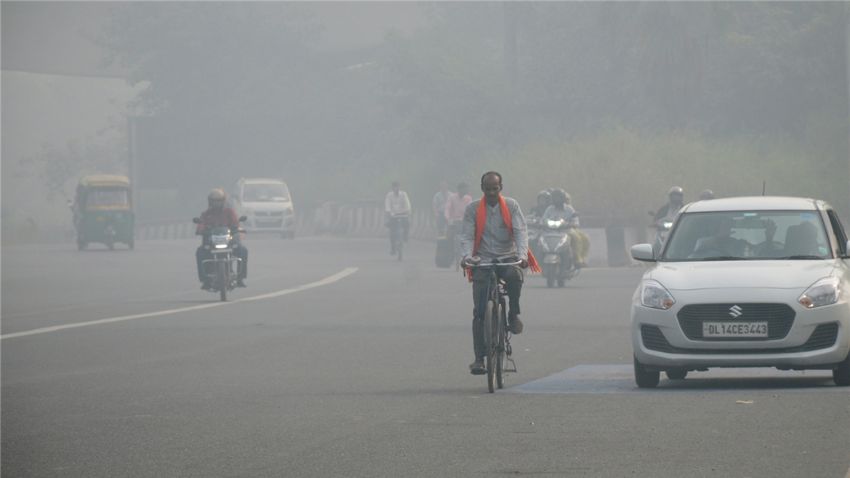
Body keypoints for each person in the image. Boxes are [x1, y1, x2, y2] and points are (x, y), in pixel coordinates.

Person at [460, 171, 540, 375]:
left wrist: (522, 256)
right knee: (479, 312)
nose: (491, 193)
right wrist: (467, 256)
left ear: (501, 188)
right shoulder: (472, 209)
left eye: (495, 189)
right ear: (482, 189)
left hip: (507, 257)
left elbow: (521, 232)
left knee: (514, 277)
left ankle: (513, 314)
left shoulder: (512, 206)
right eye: (488, 189)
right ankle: (479, 358)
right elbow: (467, 236)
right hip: (483, 260)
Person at [196, 188, 248, 289]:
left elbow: (235, 223)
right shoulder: (206, 214)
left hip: (229, 242)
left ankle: (240, 278)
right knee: (200, 252)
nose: (216, 203)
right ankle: (205, 280)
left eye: (219, 201)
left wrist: (237, 229)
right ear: (210, 201)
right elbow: (201, 224)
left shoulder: (229, 212)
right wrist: (201, 230)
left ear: (223, 201)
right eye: (214, 201)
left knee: (243, 251)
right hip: (211, 244)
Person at [542, 189, 590, 268]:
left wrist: (571, 224)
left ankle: (578, 259)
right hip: (550, 231)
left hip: (566, 231)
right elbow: (543, 219)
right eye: (555, 198)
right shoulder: (549, 209)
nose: (556, 200)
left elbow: (575, 221)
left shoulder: (569, 209)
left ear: (563, 198)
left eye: (558, 198)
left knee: (577, 238)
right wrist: (543, 223)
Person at [385, 180, 412, 252]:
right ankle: (393, 247)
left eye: (397, 187)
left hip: (403, 214)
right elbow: (387, 205)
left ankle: (405, 237)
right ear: (392, 188)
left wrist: (408, 210)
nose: (396, 188)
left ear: (399, 187)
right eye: (395, 187)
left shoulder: (404, 194)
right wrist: (388, 212)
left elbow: (408, 205)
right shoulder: (389, 195)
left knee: (408, 224)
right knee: (392, 232)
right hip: (393, 216)